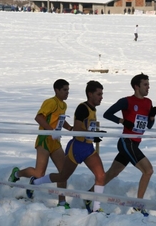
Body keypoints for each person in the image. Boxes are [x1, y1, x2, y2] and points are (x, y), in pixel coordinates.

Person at [86, 73, 156, 216]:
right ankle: (138, 205)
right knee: (148, 171)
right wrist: (123, 121)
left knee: (113, 173)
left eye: (148, 84)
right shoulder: (127, 101)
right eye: (145, 84)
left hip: (135, 144)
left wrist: (152, 116)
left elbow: (148, 126)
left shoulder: (148, 102)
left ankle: (89, 195)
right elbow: (108, 114)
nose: (148, 87)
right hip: (126, 142)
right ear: (136, 87)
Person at [28, 80, 105, 213]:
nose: (101, 97)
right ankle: (33, 182)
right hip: (72, 147)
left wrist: (89, 134)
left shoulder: (67, 105)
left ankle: (96, 208)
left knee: (101, 176)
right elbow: (78, 128)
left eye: (102, 94)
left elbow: (62, 120)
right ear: (90, 94)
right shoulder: (80, 107)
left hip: (86, 147)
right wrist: (52, 130)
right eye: (99, 94)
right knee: (59, 175)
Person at [8, 79, 73, 206]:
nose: (67, 93)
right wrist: (50, 131)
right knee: (39, 173)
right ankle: (17, 173)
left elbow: (60, 120)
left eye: (68, 90)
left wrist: (70, 128)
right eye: (65, 90)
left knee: (63, 172)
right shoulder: (50, 102)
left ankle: (62, 202)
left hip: (55, 142)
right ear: (57, 90)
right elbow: (38, 117)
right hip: (44, 141)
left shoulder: (63, 105)